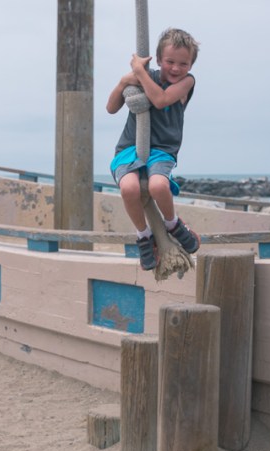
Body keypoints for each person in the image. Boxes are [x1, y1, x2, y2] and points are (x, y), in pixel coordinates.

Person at [106, 28, 201, 271]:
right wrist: (123, 82)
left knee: (158, 186)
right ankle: (143, 235)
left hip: (161, 150)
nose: (176, 68)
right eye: (170, 62)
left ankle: (173, 223)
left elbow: (160, 100)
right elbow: (111, 108)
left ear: (191, 65)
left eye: (183, 63)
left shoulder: (187, 82)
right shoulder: (147, 77)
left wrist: (139, 72)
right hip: (129, 147)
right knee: (129, 188)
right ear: (158, 59)